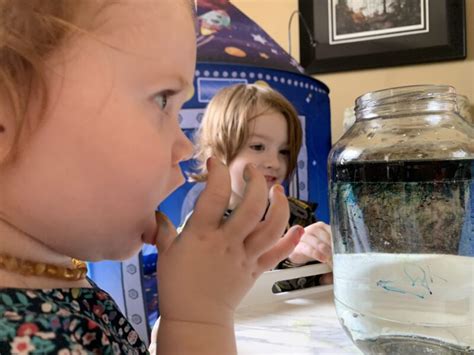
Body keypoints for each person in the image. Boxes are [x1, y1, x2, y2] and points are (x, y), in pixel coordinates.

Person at [0, 1, 305, 354]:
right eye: (163, 101)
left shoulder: (53, 276)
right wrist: (200, 318)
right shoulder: (22, 337)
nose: (183, 148)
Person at [187, 83, 333, 290]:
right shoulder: (204, 226)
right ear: (217, 151)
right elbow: (228, 295)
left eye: (284, 151)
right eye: (257, 147)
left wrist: (323, 277)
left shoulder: (301, 216)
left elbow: (312, 288)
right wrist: (294, 259)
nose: (274, 162)